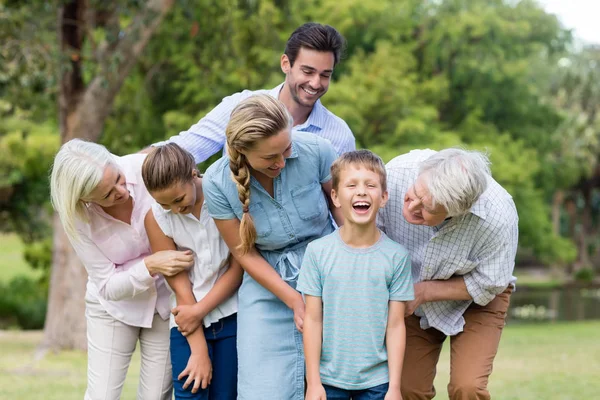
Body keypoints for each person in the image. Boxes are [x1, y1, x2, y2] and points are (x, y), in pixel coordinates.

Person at [202, 94, 343, 399]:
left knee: (337, 382)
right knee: (263, 389)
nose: (281, 161)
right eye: (269, 158)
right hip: (266, 286)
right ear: (242, 152)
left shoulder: (318, 150)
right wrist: (292, 298)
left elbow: (343, 215)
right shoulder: (215, 183)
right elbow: (243, 252)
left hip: (328, 275)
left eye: (286, 149)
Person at [50, 139, 195, 400]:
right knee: (102, 395)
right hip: (112, 309)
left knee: (155, 397)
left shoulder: (144, 168)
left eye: (118, 178)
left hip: (165, 303)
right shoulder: (77, 218)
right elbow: (107, 285)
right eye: (107, 194)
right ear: (84, 198)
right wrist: (150, 265)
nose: (122, 191)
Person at [378, 148, 519, 400]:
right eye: (416, 193)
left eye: (428, 208)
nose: (412, 206)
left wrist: (423, 291)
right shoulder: (395, 174)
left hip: (476, 299)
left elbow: (490, 282)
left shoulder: (499, 216)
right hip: (409, 294)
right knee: (407, 389)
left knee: (467, 387)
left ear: (456, 212)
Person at [298, 150, 414, 400]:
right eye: (352, 185)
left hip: (378, 382)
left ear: (383, 197)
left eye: (370, 185)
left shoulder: (397, 257)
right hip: (328, 381)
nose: (361, 191)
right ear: (336, 197)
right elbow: (313, 321)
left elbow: (395, 326)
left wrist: (394, 387)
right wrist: (313, 382)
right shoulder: (317, 253)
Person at [151, 22, 355, 159]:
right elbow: (184, 148)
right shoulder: (240, 106)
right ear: (286, 64)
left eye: (325, 75)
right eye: (308, 71)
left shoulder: (339, 135)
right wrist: (121, 170)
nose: (316, 83)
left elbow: (341, 204)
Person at [141, 143, 243, 399]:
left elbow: (238, 267)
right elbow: (179, 284)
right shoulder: (156, 219)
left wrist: (200, 310)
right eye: (165, 204)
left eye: (178, 200)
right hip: (186, 324)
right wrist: (198, 351)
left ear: (193, 173)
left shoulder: (225, 194)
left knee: (226, 395)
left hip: (233, 315)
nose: (175, 210)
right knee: (189, 392)